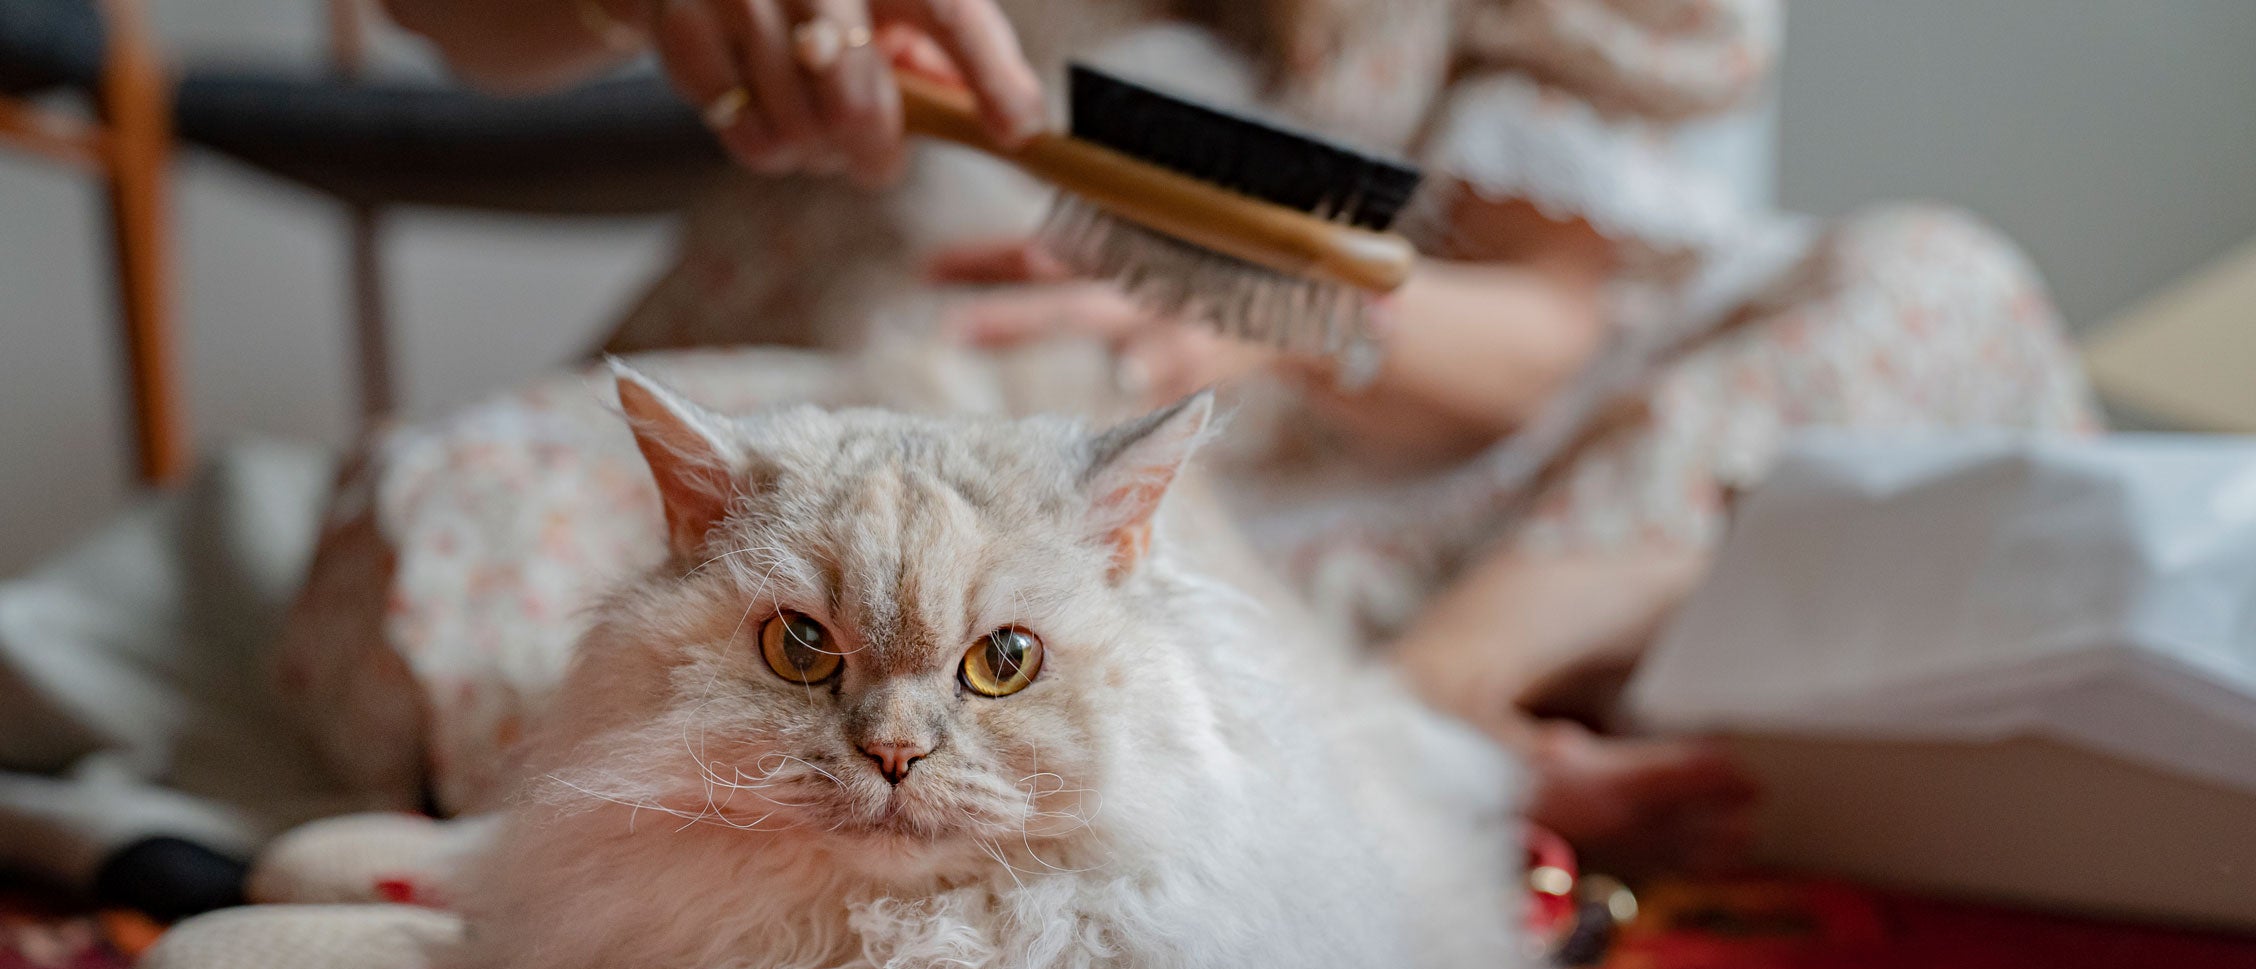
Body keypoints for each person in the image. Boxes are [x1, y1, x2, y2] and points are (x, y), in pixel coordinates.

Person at [0, 0, 2096, 906]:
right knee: (439, 558)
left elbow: (1551, 317)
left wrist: (1256, 306)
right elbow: (476, 28)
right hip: (912, 407)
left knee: (1936, 293)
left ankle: (1440, 721)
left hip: (1410, 496)